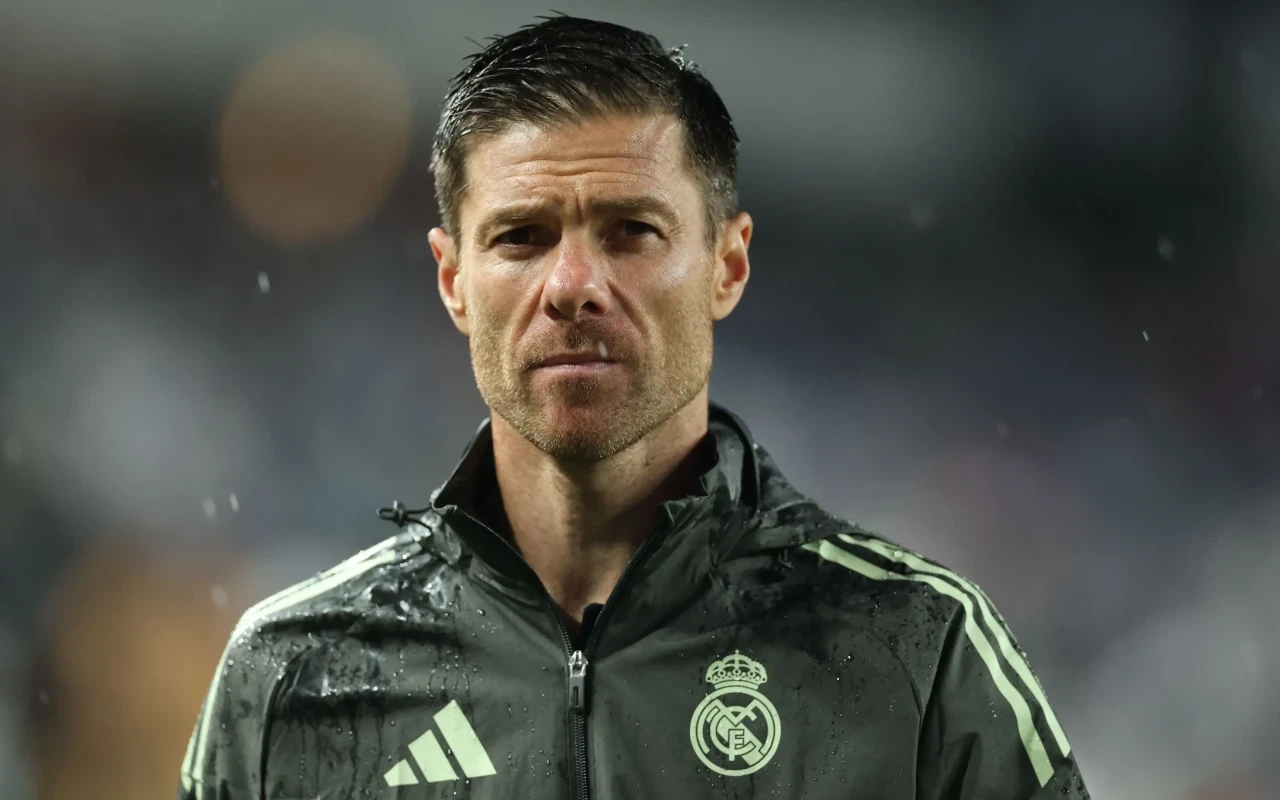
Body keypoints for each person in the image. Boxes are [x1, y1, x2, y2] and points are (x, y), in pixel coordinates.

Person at [178, 15, 1090, 800]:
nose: (573, 284)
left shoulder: (917, 652)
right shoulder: (296, 675)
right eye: (522, 237)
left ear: (728, 265)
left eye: (631, 232)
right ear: (453, 281)